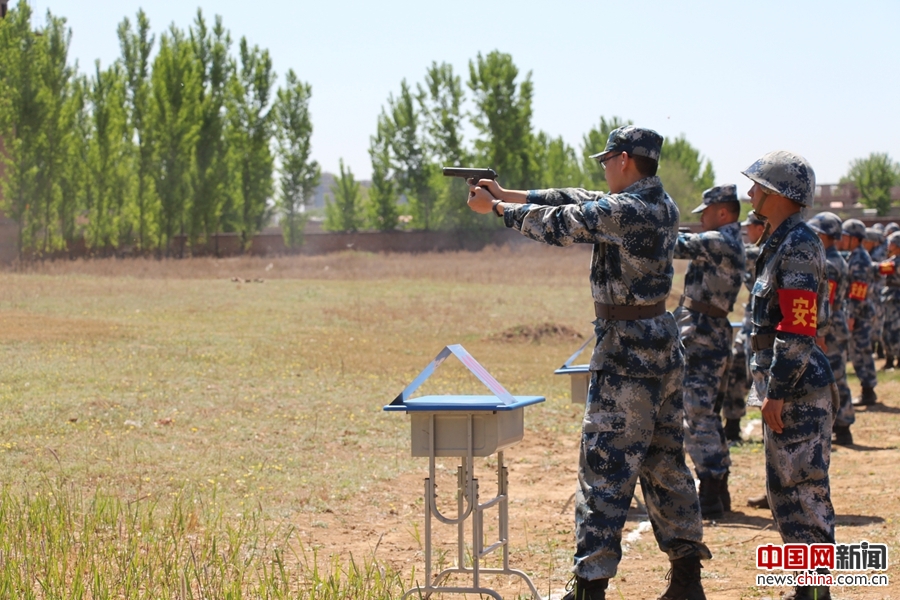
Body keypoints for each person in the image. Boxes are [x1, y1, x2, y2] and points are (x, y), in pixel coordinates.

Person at [467, 125, 710, 600]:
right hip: (659, 344)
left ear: (623, 159)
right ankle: (687, 580)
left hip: (626, 355)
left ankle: (591, 586)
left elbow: (563, 223)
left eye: (606, 159)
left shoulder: (625, 209)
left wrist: (497, 209)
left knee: (603, 468)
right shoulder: (658, 203)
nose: (602, 167)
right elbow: (576, 197)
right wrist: (509, 191)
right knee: (665, 464)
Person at [743, 150, 836, 600]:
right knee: (785, 492)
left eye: (758, 186)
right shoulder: (777, 241)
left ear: (779, 193)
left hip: (796, 388)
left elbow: (797, 329)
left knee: (804, 492)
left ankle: (816, 593)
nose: (751, 192)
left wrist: (776, 391)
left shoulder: (799, 244)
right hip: (783, 384)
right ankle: (806, 588)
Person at [672, 185, 745, 518]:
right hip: (702, 332)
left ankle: (712, 488)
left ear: (723, 213)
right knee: (704, 414)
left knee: (697, 414)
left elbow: (674, 244)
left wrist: (642, 223)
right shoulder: (721, 241)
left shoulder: (721, 241)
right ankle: (718, 488)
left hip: (703, 336)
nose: (701, 218)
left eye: (705, 212)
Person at [807, 212, 854, 446]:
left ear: (825, 236)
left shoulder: (831, 264)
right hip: (835, 325)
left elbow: (826, 300)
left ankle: (843, 426)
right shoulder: (834, 259)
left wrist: (821, 334)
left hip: (831, 329)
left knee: (835, 377)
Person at [721, 210, 767, 445]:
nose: (747, 232)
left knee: (766, 376)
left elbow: (741, 253)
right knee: (737, 366)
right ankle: (732, 425)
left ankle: (775, 430)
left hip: (769, 328)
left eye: (750, 227)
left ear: (761, 228)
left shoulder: (766, 251)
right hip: (750, 323)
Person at [841, 219, 878, 406]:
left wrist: (852, 316)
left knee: (861, 352)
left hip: (860, 313)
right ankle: (868, 389)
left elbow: (858, 291)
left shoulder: (860, 259)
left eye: (845, 236)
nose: (842, 239)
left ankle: (868, 391)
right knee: (859, 353)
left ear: (854, 239)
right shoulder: (855, 256)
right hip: (859, 312)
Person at [878, 232, 900, 374]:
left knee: (896, 330)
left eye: (892, 242)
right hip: (890, 300)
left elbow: (880, 268)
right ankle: (889, 359)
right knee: (887, 330)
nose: (889, 245)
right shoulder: (892, 260)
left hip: (896, 300)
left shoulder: (895, 263)